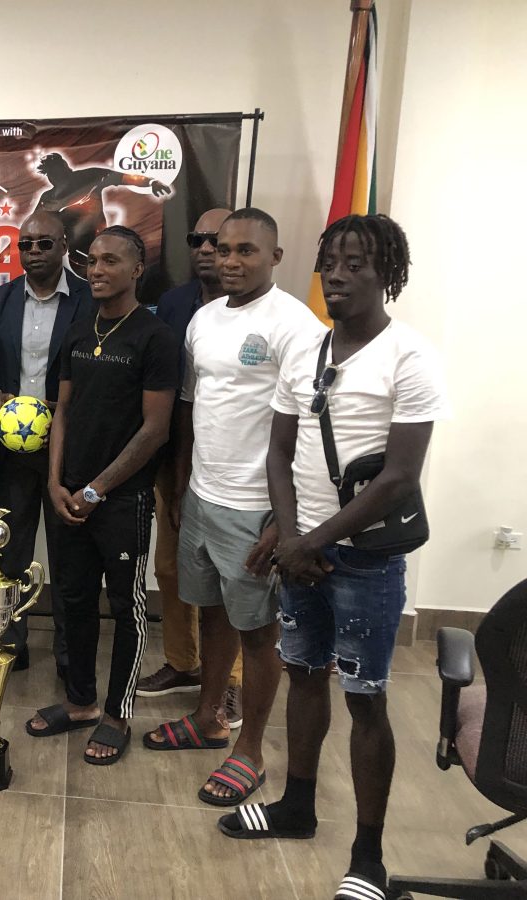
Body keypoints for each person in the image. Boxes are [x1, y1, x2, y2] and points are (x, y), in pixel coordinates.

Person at [219, 215, 446, 900]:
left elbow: (400, 476)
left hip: (364, 563)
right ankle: (296, 806)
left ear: (389, 275)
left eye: (358, 263)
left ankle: (368, 856)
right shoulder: (306, 354)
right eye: (331, 262)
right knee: (305, 677)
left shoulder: (410, 356)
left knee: (366, 700)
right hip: (301, 558)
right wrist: (290, 541)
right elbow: (280, 453)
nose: (339, 275)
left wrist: (310, 543)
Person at [143, 209, 324, 810]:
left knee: (259, 630)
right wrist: (181, 484)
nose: (231, 261)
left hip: (256, 507)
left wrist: (284, 518)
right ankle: (206, 718)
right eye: (223, 250)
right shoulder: (203, 319)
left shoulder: (296, 326)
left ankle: (249, 749)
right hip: (203, 496)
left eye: (246, 251)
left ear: (275, 256)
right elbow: (192, 410)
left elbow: (306, 431)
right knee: (213, 613)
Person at [23, 226, 179, 765]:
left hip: (122, 500)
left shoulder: (155, 337)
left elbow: (155, 430)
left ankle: (117, 714)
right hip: (68, 495)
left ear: (137, 269)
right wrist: (55, 480)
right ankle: (83, 702)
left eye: (111, 261)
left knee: (127, 610)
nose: (97, 270)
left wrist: (97, 488)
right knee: (73, 601)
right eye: (92, 262)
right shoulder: (78, 328)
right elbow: (60, 410)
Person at [138, 208, 245, 723]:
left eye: (218, 242)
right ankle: (184, 662)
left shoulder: (263, 311)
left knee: (235, 581)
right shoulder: (177, 305)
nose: (207, 249)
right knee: (172, 568)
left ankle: (232, 682)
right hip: (175, 461)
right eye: (198, 240)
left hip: (240, 476)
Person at [0, 210, 91, 680]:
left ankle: (69, 653)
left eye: (45, 243)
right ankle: (9, 642)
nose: (35, 252)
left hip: (70, 447)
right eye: (26, 244)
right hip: (12, 451)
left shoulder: (88, 299)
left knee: (68, 554)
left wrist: (62, 402)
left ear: (64, 247)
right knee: (10, 549)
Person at [33, 152, 172, 274]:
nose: (53, 176)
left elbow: (121, 177)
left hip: (102, 248)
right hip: (77, 258)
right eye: (49, 172)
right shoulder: (47, 197)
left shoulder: (89, 176)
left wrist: (151, 182)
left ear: (64, 165)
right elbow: (33, 225)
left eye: (56, 169)